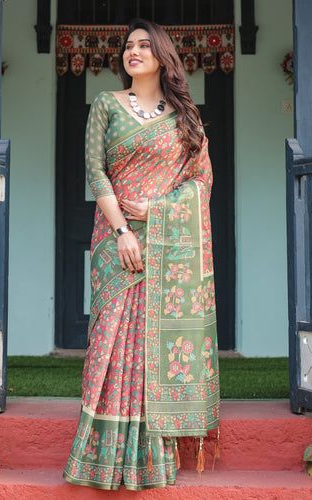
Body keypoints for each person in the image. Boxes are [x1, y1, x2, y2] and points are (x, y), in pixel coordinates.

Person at [63, 18, 219, 491]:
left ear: (162, 56)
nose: (133, 52)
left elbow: (201, 182)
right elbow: (96, 172)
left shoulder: (184, 118)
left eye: (144, 46)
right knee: (111, 343)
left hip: (167, 248)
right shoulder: (107, 105)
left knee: (151, 351)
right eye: (128, 45)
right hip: (116, 243)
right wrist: (123, 231)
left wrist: (157, 209)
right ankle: (100, 461)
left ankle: (151, 462)